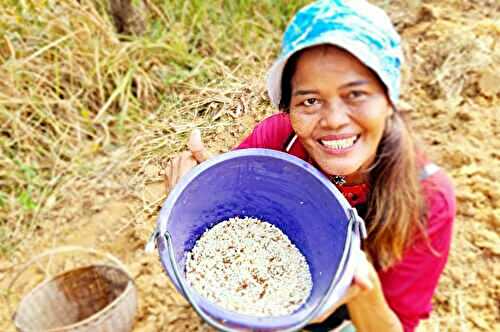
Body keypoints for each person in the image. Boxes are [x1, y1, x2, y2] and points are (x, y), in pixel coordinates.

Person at [164, 1, 456, 331]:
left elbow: (393, 326)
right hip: (265, 293)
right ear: (288, 106)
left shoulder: (428, 198)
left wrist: (359, 280)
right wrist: (196, 184)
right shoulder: (279, 139)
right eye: (310, 101)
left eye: (356, 94)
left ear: (390, 101)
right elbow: (232, 206)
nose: (333, 120)